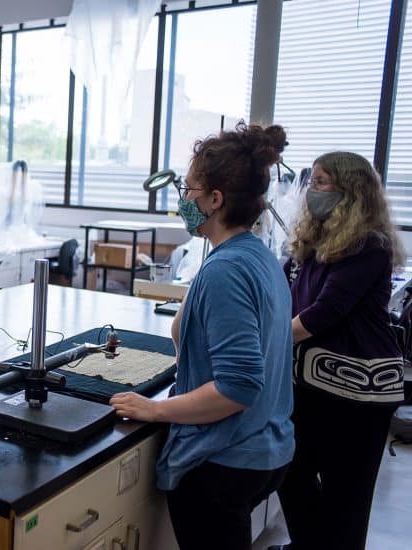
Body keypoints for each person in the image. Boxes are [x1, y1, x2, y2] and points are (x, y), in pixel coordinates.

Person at [110, 121, 295, 550]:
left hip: (225, 458)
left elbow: (239, 386)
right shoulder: (256, 257)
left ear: (216, 199)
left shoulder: (226, 270)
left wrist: (156, 411)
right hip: (266, 447)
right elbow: (193, 335)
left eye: (189, 191)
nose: (183, 202)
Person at [272, 152, 406, 550]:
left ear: (352, 191)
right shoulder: (313, 241)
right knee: (288, 469)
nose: (311, 190)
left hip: (359, 392)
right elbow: (285, 294)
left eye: (321, 182)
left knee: (347, 497)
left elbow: (323, 314)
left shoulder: (369, 246)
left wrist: (265, 342)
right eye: (311, 181)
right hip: (313, 383)